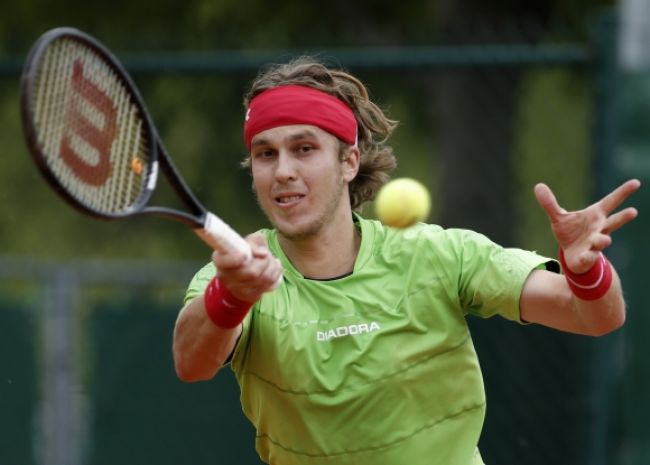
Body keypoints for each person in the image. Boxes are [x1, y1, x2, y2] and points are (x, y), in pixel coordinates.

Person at [172, 57, 640, 465]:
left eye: (304, 148)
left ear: (349, 161)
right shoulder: (235, 272)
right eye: (265, 154)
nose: (283, 171)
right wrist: (233, 294)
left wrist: (584, 270)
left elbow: (596, 318)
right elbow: (191, 362)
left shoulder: (438, 254)